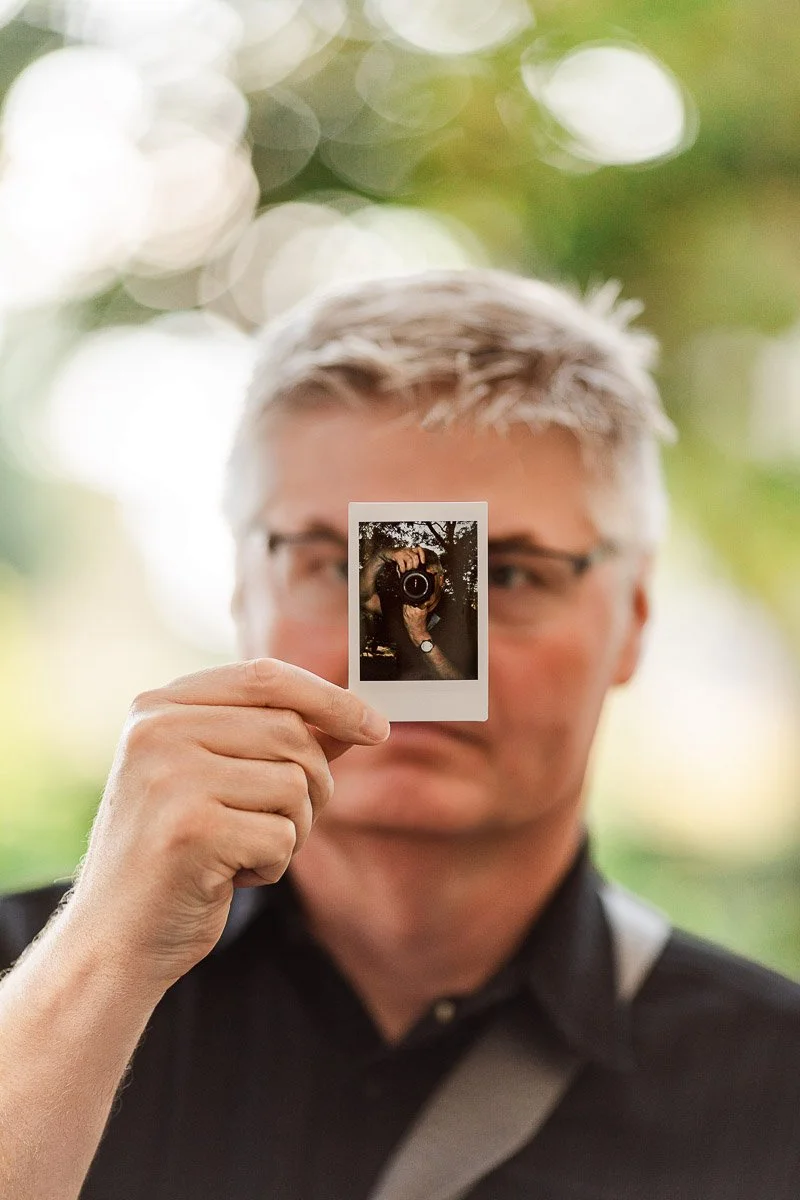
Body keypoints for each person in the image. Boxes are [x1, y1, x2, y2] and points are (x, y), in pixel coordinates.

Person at [1, 268, 799, 1200]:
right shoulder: (31, 987)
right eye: (336, 561)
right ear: (238, 589)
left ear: (636, 614)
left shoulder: (777, 1088)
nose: (410, 650)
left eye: (508, 574)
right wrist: (99, 962)